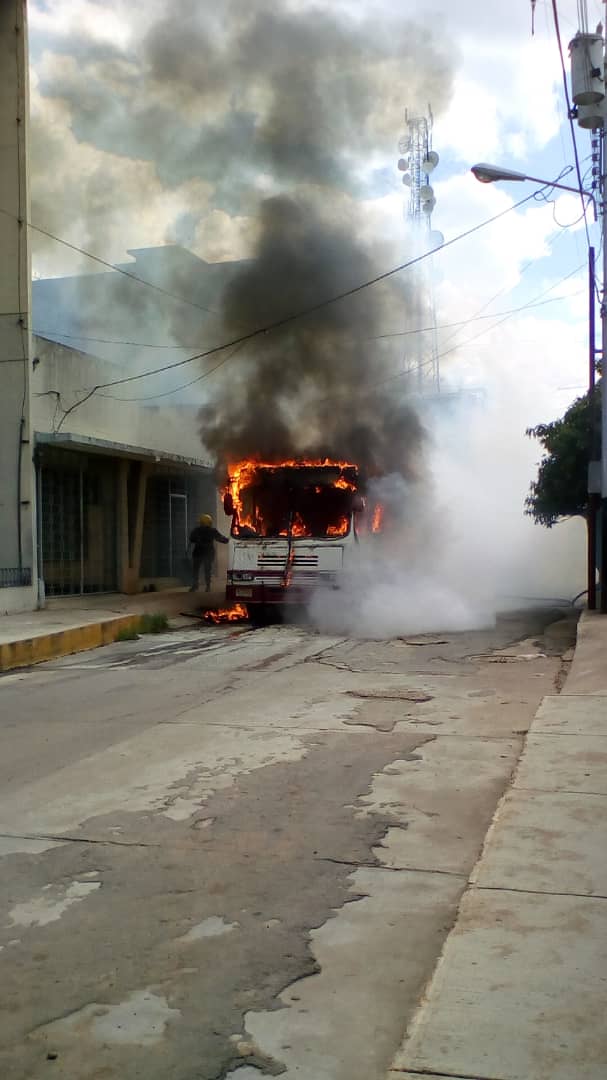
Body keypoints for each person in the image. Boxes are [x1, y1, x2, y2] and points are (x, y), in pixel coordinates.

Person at [189, 513, 229, 592]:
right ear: (210, 522)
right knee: (207, 570)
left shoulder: (196, 530)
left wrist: (198, 540)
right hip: (208, 553)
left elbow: (191, 539)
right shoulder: (212, 531)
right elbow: (222, 539)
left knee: (195, 570)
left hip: (198, 553)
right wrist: (229, 539)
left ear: (201, 522)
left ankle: (195, 585)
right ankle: (208, 586)